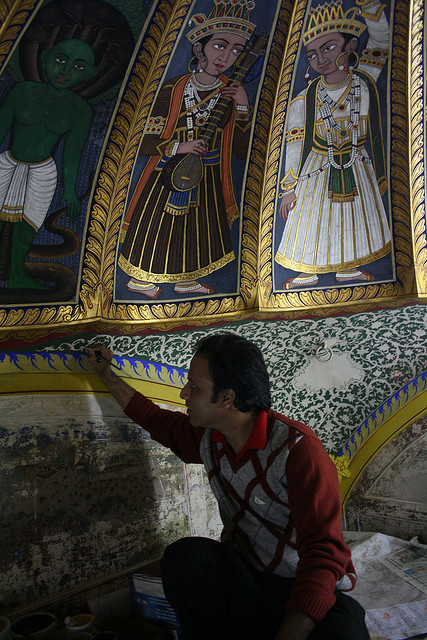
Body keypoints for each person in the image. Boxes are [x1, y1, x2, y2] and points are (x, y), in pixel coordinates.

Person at [87, 333, 370, 640]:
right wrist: (106, 374)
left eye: (194, 386)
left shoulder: (298, 451)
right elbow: (156, 420)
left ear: (226, 398)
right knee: (186, 559)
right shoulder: (209, 436)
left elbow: (323, 553)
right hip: (249, 579)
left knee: (346, 626)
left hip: (298, 583)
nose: (184, 393)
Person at [117, 1, 256, 299]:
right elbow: (143, 140)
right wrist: (180, 146)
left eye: (236, 51)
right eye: (219, 45)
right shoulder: (174, 88)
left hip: (207, 178)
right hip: (167, 173)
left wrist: (243, 105)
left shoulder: (231, 93)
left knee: (197, 231)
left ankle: (186, 278)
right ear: (199, 49)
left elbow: (243, 152)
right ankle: (142, 278)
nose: (226, 56)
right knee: (158, 228)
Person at [275, 0, 390, 290]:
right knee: (311, 219)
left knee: (352, 218)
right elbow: (294, 143)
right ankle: (308, 270)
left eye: (328, 47)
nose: (320, 59)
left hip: (356, 162)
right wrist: (289, 188)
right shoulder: (304, 99)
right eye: (312, 54)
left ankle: (349, 270)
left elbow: (381, 41)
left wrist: (370, 7)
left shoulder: (364, 80)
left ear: (350, 46)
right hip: (318, 166)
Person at [0, 38, 98, 289]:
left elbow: (72, 154)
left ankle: (18, 276)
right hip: (6, 163)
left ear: (89, 74)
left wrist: (70, 192)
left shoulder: (79, 109)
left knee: (29, 222)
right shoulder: (23, 91)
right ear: (45, 60)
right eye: (60, 61)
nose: (65, 72)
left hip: (43, 170)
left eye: (78, 67)